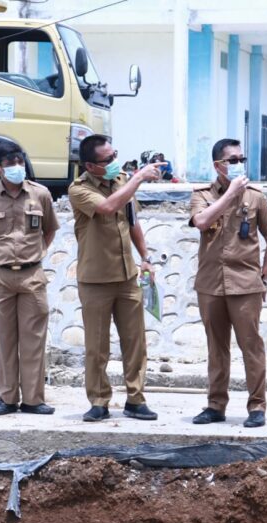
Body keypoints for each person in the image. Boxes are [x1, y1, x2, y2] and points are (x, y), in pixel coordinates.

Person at [69, 134, 165, 422]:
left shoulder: (122, 181)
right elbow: (107, 207)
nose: (114, 162)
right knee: (97, 347)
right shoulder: (79, 189)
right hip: (96, 279)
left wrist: (146, 258)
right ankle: (99, 401)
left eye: (114, 156)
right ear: (90, 165)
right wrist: (139, 178)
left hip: (126, 276)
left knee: (135, 343)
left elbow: (131, 220)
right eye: (107, 160)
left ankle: (135, 399)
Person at [189, 138, 267, 428]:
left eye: (242, 159)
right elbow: (202, 222)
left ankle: (257, 406)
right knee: (217, 348)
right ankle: (215, 405)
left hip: (246, 284)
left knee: (251, 346)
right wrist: (229, 194)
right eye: (233, 160)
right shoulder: (201, 195)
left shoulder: (256, 197)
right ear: (218, 165)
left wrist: (264, 277)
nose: (239, 164)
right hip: (211, 284)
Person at [0, 142, 60, 416]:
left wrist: (34, 254)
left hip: (33, 274)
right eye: (10, 164)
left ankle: (33, 400)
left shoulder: (41, 194)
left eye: (20, 161)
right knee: (4, 339)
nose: (17, 168)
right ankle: (7, 399)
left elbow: (49, 231)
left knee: (34, 339)